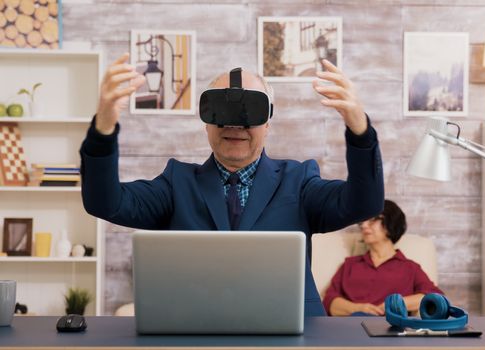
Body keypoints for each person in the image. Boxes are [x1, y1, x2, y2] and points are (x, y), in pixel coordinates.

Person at [79, 53, 384, 317]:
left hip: (291, 334)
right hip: (199, 332)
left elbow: (364, 204)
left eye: (248, 114)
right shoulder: (177, 184)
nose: (235, 126)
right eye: (222, 113)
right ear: (207, 121)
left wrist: (359, 130)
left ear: (267, 122)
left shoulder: (299, 181)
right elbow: (106, 202)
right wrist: (103, 130)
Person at [323, 200, 443, 316]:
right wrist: (359, 308)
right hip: (350, 327)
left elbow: (435, 297)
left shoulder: (410, 268)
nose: (364, 226)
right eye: (362, 222)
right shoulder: (350, 265)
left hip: (389, 330)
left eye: (373, 220)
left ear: (391, 223)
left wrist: (395, 304)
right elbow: (329, 301)